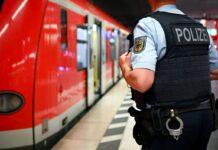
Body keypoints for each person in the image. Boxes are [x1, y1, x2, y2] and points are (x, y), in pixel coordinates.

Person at [119, 0, 218, 149]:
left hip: (170, 124)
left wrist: (125, 67)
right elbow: (216, 71)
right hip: (204, 119)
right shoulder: (199, 28)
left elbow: (142, 81)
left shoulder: (148, 24)